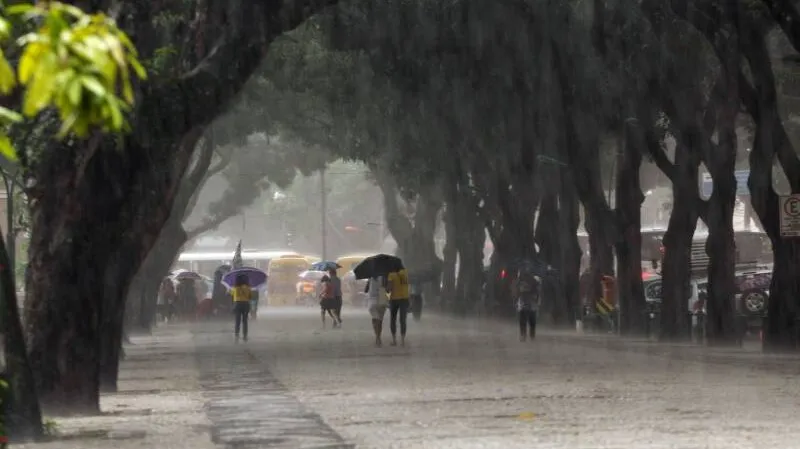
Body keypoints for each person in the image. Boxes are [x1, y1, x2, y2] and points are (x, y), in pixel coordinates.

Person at [512, 268, 541, 342]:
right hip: (531, 303)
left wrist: (516, 302)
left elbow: (516, 292)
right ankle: (531, 336)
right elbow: (537, 293)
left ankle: (523, 335)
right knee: (531, 321)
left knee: (523, 320)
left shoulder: (520, 281)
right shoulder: (535, 280)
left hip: (524, 302)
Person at [386, 268, 410, 346]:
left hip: (394, 299)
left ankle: (394, 340)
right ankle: (403, 341)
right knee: (403, 319)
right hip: (404, 298)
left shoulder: (391, 274)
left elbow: (389, 289)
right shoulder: (405, 272)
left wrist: (386, 288)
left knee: (393, 319)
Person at [365, 276, 388, 346]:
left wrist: (368, 283)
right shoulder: (384, 276)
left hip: (372, 297)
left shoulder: (370, 277)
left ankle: (377, 337)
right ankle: (378, 337)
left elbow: (365, 290)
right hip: (382, 295)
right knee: (380, 320)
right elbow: (387, 289)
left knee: (375, 318)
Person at [231, 274, 252, 341]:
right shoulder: (248, 287)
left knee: (237, 320)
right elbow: (250, 297)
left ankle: (236, 334)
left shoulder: (235, 288)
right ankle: (245, 335)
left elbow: (232, 294)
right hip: (245, 304)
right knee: (245, 321)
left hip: (237, 304)